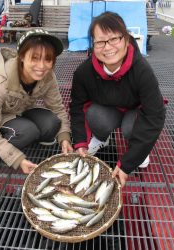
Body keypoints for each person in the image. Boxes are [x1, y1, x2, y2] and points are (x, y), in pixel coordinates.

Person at [70, 12, 166, 187]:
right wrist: (80, 142)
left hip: (134, 110)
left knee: (132, 127)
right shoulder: (83, 73)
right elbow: (77, 108)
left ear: (126, 39)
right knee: (93, 114)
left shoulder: (142, 71)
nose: (107, 47)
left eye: (114, 39)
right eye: (100, 42)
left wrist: (126, 164)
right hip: (109, 108)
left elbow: (155, 116)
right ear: (93, 44)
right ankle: (101, 138)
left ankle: (140, 151)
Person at [0, 29, 73, 176]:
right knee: (28, 131)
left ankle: (24, 135)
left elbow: (58, 108)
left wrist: (64, 137)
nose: (41, 66)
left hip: (19, 109)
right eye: (34, 58)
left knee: (53, 122)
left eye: (48, 59)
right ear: (21, 56)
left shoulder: (48, 77)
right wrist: (18, 160)